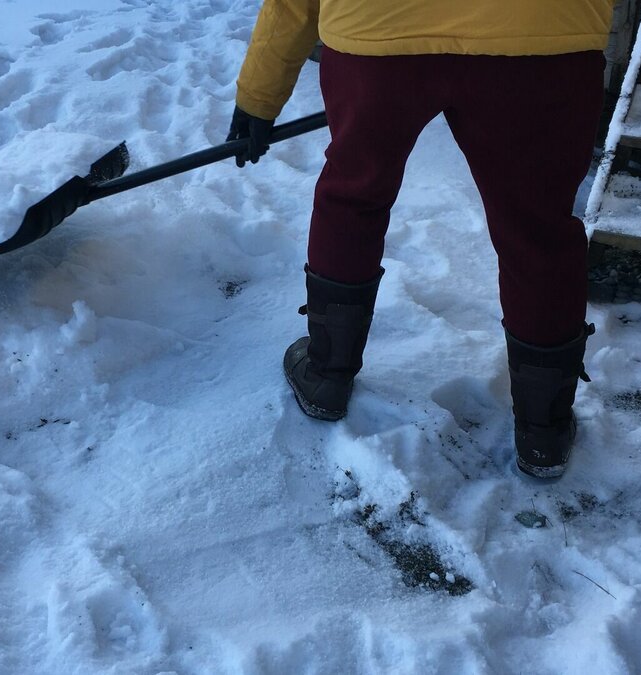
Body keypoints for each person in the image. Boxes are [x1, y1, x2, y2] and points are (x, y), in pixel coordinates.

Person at [227, 0, 617, 478]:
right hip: (543, 37)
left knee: (353, 199)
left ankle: (327, 374)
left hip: (376, 32)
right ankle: (544, 430)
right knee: (537, 228)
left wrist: (258, 96)